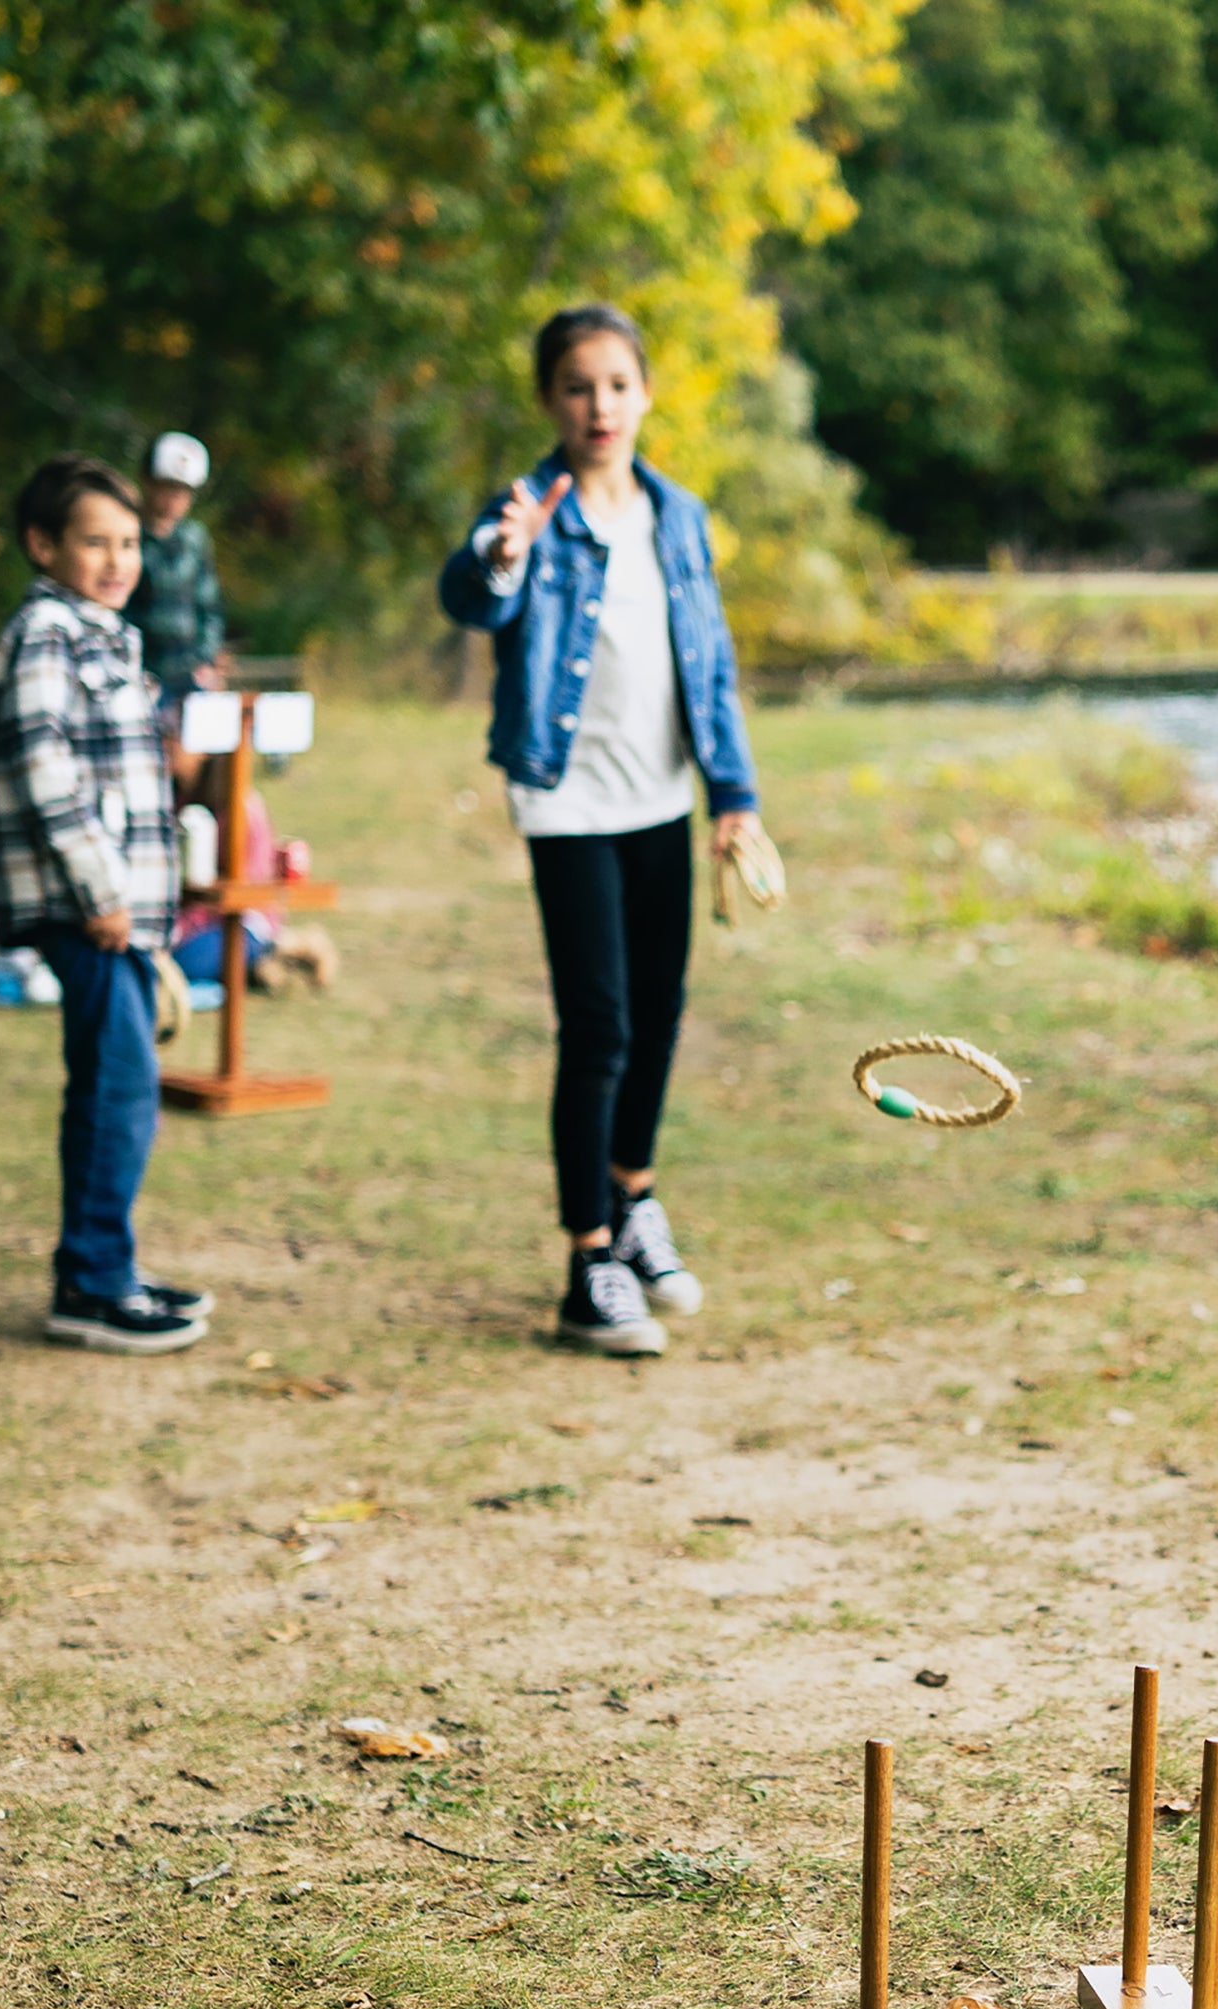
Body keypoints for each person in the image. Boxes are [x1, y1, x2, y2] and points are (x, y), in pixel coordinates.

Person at [437, 302, 763, 1358]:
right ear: (550, 401)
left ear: (646, 393)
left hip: (661, 797)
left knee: (659, 1015)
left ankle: (633, 1204)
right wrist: (500, 555)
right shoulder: (529, 508)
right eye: (577, 387)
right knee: (600, 1026)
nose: (599, 406)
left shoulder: (678, 514)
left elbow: (710, 664)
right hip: (567, 802)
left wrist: (734, 795)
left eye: (617, 385)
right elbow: (471, 598)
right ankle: (587, 1267)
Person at [0, 450, 210, 1354]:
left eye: (129, 543)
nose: (118, 561)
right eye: (94, 543)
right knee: (120, 1089)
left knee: (116, 1085)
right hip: (90, 909)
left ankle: (102, 1266)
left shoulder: (109, 634)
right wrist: (103, 892)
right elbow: (45, 769)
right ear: (42, 545)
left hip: (121, 913)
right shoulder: (47, 632)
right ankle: (93, 1284)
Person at [126, 431, 226, 702]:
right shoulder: (127, 535)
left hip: (190, 675)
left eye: (184, 491)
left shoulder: (195, 539)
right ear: (147, 481)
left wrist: (206, 660)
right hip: (140, 673)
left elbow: (209, 607)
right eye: (168, 487)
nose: (175, 499)